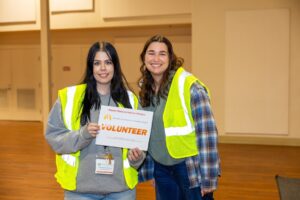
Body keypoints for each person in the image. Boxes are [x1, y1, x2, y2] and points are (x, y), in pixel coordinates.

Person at [45, 41, 145, 200]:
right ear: (90, 67)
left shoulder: (130, 100)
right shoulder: (70, 97)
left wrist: (137, 158)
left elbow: (140, 144)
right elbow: (54, 138)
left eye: (108, 62)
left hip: (121, 190)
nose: (103, 68)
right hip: (80, 191)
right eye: (97, 63)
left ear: (115, 66)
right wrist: (82, 135)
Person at [137, 35, 220, 200]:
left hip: (188, 168)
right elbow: (151, 133)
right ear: (144, 58)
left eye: (162, 53)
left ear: (170, 58)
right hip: (161, 169)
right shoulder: (145, 90)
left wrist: (208, 178)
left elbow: (207, 135)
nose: (156, 58)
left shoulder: (190, 87)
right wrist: (152, 169)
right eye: (151, 53)